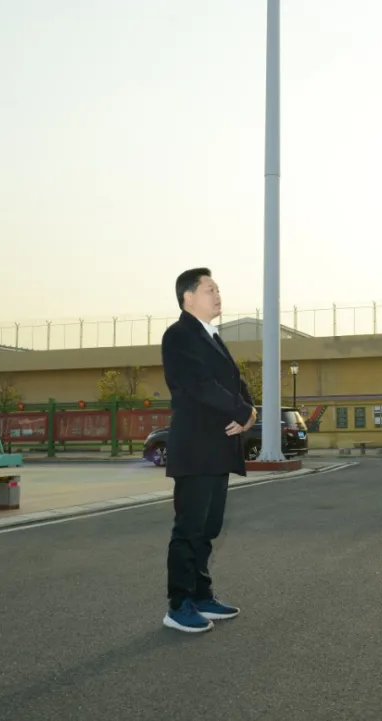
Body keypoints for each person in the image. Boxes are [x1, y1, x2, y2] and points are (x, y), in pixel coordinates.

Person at [160, 267, 258, 633]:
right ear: (188, 297)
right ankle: (178, 605)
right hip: (195, 448)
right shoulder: (179, 335)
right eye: (209, 289)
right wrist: (242, 411)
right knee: (189, 528)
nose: (218, 295)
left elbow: (234, 382)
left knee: (209, 527)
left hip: (217, 449)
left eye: (218, 289)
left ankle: (201, 595)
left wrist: (250, 411)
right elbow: (200, 384)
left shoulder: (212, 336)